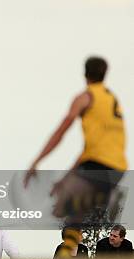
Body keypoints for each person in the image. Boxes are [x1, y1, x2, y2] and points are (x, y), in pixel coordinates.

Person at [25, 57, 128, 240]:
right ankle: (67, 253)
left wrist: (37, 160)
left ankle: (106, 199)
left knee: (60, 207)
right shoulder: (112, 99)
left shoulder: (86, 97)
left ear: (85, 74)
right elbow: (91, 148)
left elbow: (61, 132)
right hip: (118, 166)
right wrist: (66, 177)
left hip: (98, 163)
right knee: (75, 215)